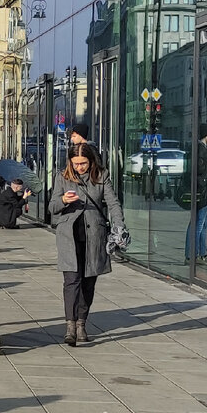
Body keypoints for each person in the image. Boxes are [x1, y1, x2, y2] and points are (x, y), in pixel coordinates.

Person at [50, 143, 126, 347]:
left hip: (94, 236)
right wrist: (64, 200)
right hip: (69, 235)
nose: (79, 167)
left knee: (88, 282)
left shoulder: (101, 176)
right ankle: (70, 326)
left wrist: (119, 225)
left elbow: (113, 203)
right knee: (71, 280)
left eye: (83, 163)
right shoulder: (62, 177)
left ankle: (81, 323)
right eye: (75, 163)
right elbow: (52, 207)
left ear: (91, 161)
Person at [185, 126, 207, 264]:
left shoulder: (201, 148)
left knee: (203, 223)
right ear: (206, 135)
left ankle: (201, 253)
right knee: (197, 224)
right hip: (200, 191)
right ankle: (192, 255)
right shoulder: (200, 149)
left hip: (201, 190)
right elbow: (198, 169)